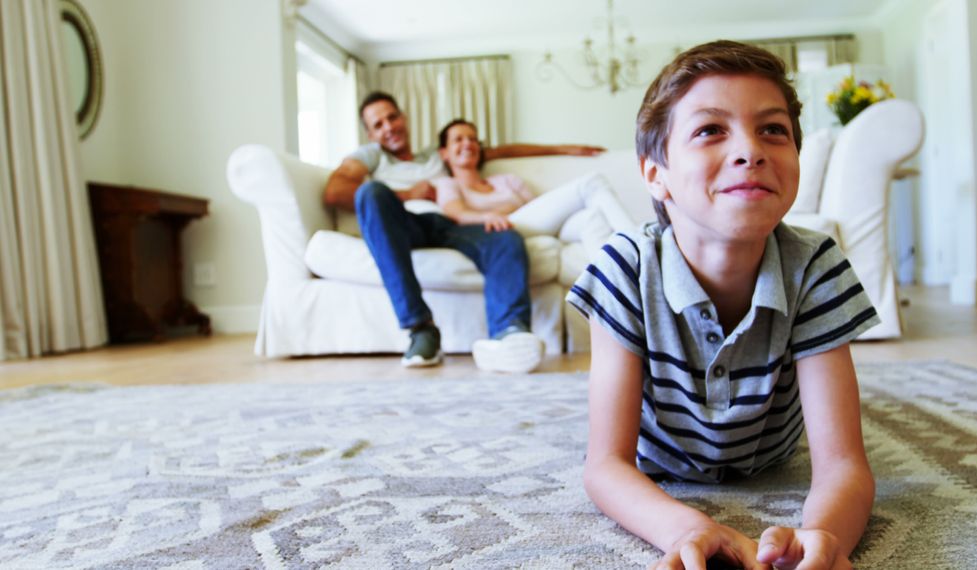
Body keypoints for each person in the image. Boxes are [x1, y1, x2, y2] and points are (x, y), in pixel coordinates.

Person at [566, 40, 878, 570]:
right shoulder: (623, 269)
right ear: (654, 174)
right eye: (711, 129)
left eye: (773, 130)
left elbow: (843, 465)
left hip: (771, 455)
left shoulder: (815, 264)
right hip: (660, 460)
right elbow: (606, 465)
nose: (750, 150)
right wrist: (686, 528)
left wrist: (825, 536)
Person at [323, 91, 604, 373]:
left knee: (503, 235)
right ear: (370, 134)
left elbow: (502, 151)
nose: (389, 127)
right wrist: (408, 193)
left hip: (449, 225)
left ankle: (509, 333)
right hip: (403, 226)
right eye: (378, 124)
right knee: (371, 193)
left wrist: (564, 150)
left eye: (392, 117)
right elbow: (335, 192)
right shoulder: (372, 157)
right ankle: (420, 328)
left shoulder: (436, 155)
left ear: (404, 118)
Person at [433, 118, 635, 251]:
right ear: (444, 152)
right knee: (592, 182)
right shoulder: (448, 184)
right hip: (506, 228)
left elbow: (538, 208)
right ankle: (638, 245)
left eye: (472, 139)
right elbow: (456, 213)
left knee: (593, 218)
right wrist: (490, 215)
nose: (468, 143)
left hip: (533, 224)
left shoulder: (506, 180)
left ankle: (615, 296)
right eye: (458, 140)